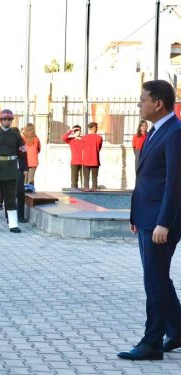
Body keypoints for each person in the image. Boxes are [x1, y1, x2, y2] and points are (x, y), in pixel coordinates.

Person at [117, 80, 181, 361]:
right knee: (157, 278)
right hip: (146, 217)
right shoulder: (158, 130)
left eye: (142, 100)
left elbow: (174, 183)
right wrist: (136, 215)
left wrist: (163, 222)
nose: (138, 104)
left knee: (154, 281)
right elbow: (147, 178)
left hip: (160, 222)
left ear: (158, 104)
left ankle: (152, 342)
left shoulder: (175, 132)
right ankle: (177, 329)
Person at [81, 122, 103, 191]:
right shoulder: (99, 138)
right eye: (96, 127)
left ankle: (86, 188)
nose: (97, 129)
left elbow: (83, 148)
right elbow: (99, 148)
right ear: (93, 128)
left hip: (86, 160)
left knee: (86, 177)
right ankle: (94, 188)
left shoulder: (84, 137)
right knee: (94, 177)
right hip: (95, 160)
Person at [62, 124, 84, 189]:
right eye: (76, 131)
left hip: (83, 162)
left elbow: (87, 142)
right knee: (74, 181)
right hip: (74, 162)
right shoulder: (71, 140)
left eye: (78, 131)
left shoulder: (83, 139)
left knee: (84, 180)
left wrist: (79, 138)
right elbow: (63, 138)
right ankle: (74, 193)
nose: (77, 132)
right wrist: (71, 131)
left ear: (80, 131)